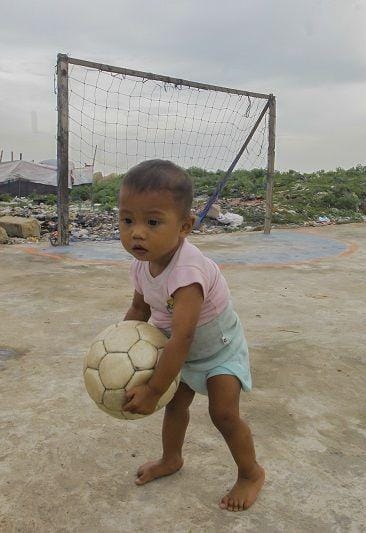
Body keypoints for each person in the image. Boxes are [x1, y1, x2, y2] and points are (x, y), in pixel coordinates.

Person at [119, 159, 264, 512]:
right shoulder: (142, 264)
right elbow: (139, 311)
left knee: (223, 414)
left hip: (219, 350)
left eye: (152, 222)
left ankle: (250, 473)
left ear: (184, 226)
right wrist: (119, 345)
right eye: (127, 220)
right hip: (179, 350)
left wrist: (153, 388)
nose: (137, 232)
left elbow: (182, 338)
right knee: (176, 404)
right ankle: (171, 459)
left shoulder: (188, 273)